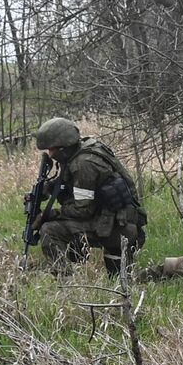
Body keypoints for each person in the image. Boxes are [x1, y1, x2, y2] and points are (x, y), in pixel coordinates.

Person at [29, 117, 144, 275]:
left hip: (119, 229)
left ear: (63, 148)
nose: (49, 154)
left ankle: (65, 281)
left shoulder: (84, 164)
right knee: (119, 278)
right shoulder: (81, 150)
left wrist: (49, 215)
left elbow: (82, 210)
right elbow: (70, 183)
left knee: (49, 230)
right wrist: (46, 190)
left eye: (51, 149)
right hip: (115, 221)